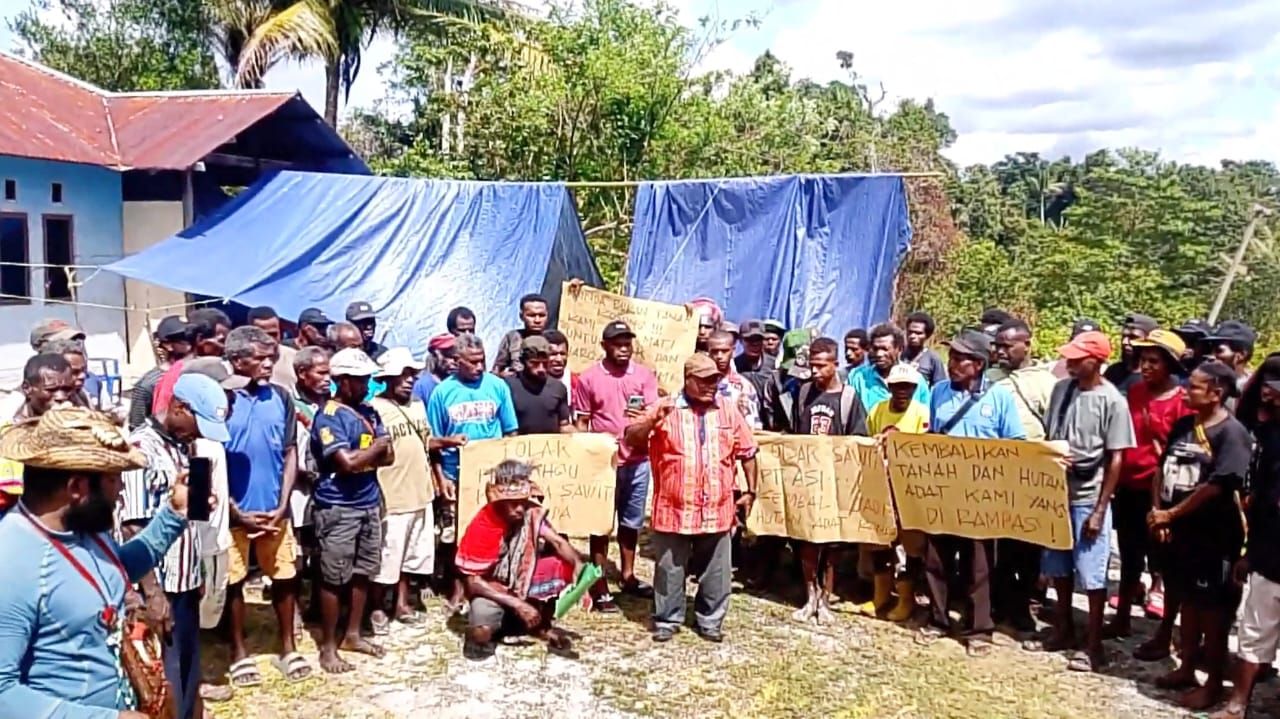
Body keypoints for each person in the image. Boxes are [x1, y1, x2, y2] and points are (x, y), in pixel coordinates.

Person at [0, 408, 192, 718]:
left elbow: (112, 570)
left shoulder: (85, 528)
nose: (121, 490)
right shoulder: (11, 564)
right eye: (114, 480)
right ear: (77, 488)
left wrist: (174, 514)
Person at [623, 354, 759, 642]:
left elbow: (748, 451)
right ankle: (667, 619)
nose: (713, 385)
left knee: (717, 570)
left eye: (715, 380)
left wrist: (750, 490)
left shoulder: (728, 410)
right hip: (674, 507)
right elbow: (632, 438)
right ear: (688, 381)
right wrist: (651, 423)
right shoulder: (665, 407)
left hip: (717, 507)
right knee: (670, 568)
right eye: (705, 381)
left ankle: (710, 620)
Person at [120, 373, 230, 719]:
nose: (199, 433)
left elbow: (193, 515)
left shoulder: (186, 446)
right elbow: (132, 525)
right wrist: (153, 594)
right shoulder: (142, 448)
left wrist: (197, 571)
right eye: (198, 423)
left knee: (187, 670)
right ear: (179, 407)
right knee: (163, 684)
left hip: (185, 580)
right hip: (159, 586)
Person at [1147, 362, 1251, 709]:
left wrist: (1172, 514)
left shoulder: (1232, 434)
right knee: (1187, 603)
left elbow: (1218, 486)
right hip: (1179, 537)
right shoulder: (1183, 425)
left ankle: (1213, 685)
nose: (1185, 390)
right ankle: (1186, 668)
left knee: (1213, 613)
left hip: (1214, 539)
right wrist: (1158, 514)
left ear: (1216, 392)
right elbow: (1161, 470)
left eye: (1193, 386)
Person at [919, 329, 1025, 658]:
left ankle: (979, 627)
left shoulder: (1000, 397)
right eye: (951, 357)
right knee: (936, 558)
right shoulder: (937, 392)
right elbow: (933, 434)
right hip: (944, 491)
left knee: (979, 563)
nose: (952, 363)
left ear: (978, 364)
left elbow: (1015, 444)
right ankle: (937, 619)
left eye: (959, 358)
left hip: (982, 496)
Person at [1036, 330, 1135, 673]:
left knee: (1091, 573)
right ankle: (1063, 627)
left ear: (1096, 361)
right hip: (1055, 494)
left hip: (1088, 496)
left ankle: (1093, 644)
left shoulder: (1113, 401)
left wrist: (1100, 509)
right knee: (1057, 565)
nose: (1071, 363)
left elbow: (1117, 458)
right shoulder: (1061, 391)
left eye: (1078, 358)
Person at [222, 326, 307, 687]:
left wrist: (283, 502)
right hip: (232, 513)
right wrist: (234, 510)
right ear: (236, 360)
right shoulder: (220, 400)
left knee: (285, 577)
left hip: (275, 508)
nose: (268, 365)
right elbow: (208, 458)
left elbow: (290, 451)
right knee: (233, 582)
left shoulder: (281, 397)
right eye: (258, 358)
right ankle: (239, 652)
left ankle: (287, 646)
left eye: (270, 357)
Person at [309, 348, 393, 673]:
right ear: (343, 381)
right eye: (360, 380)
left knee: (363, 571)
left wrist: (369, 454)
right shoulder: (329, 415)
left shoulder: (369, 413)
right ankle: (329, 647)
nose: (366, 385)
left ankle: (353, 634)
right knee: (333, 576)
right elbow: (345, 463)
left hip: (369, 501)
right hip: (338, 507)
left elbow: (389, 457)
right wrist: (374, 449)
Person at [571, 321, 659, 611]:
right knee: (600, 523)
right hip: (604, 463)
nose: (623, 348)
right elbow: (582, 421)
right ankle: (598, 584)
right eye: (617, 343)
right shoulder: (588, 378)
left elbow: (652, 415)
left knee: (631, 522)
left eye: (627, 342)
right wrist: (584, 455)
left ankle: (628, 574)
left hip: (638, 460)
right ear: (604, 345)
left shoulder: (645, 376)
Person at [427, 333, 518, 610]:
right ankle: (457, 588)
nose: (479, 367)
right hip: (456, 474)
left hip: (491, 474)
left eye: (483, 361)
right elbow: (432, 441)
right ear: (457, 361)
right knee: (456, 533)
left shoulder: (497, 386)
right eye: (473, 362)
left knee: (493, 528)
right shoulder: (443, 393)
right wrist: (441, 479)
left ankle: (490, 583)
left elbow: (510, 430)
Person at [369, 348, 458, 631]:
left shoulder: (418, 405)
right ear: (388, 379)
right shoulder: (375, 409)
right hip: (392, 493)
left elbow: (425, 440)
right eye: (402, 376)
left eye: (411, 375)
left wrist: (446, 442)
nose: (409, 381)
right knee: (387, 555)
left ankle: (402, 603)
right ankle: (377, 607)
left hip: (420, 491)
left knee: (412, 555)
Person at [456, 461, 583, 658]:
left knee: (558, 564)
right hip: (492, 590)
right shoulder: (483, 525)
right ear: (499, 502)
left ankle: (539, 624)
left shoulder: (531, 514)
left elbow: (558, 542)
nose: (520, 509)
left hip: (521, 583)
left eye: (523, 502)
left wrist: (577, 566)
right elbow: (473, 583)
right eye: (513, 503)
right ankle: (509, 621)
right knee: (481, 633)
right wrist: (518, 605)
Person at [1213, 360, 1280, 719]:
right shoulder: (1268, 436)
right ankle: (1237, 704)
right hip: (1269, 553)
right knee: (1254, 633)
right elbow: (1257, 502)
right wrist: (1249, 552)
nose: (1269, 391)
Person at [1113, 330, 1190, 641]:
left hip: (1162, 494)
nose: (1145, 366)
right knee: (1129, 555)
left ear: (1169, 364)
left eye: (1153, 361)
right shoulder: (1134, 393)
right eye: (1143, 360)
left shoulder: (1183, 402)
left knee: (1165, 561)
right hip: (1130, 486)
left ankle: (1166, 630)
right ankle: (1121, 619)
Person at [791, 337, 869, 624]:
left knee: (832, 545)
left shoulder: (848, 398)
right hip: (808, 479)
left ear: (835, 365)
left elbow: (859, 440)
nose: (815, 372)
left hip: (836, 482)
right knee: (807, 541)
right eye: (812, 365)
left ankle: (826, 599)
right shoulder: (804, 394)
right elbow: (796, 434)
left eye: (822, 366)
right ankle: (809, 595)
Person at [986, 318, 1057, 631]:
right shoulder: (989, 377)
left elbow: (1054, 427)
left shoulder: (1044, 382)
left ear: (1026, 345)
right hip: (992, 471)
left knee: (1027, 543)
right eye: (997, 345)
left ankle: (1022, 604)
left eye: (1007, 345)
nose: (1000, 351)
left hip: (1030, 472)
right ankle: (996, 601)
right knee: (996, 542)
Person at [178, 359, 246, 643]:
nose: (231, 398)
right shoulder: (202, 445)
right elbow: (197, 507)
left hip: (212, 539)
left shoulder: (206, 439)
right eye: (225, 392)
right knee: (200, 611)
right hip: (206, 544)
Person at [865, 363, 931, 622]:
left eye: (908, 387)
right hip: (881, 485)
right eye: (897, 386)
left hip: (910, 490)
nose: (903, 391)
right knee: (879, 542)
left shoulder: (921, 413)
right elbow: (869, 439)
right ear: (889, 387)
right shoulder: (878, 410)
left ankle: (905, 599)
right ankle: (880, 595)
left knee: (911, 546)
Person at [0, 354, 76, 513]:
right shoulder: (6, 435)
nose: (61, 397)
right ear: (27, 388)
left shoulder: (80, 427)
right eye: (51, 390)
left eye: (67, 389)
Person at [290, 346, 331, 622]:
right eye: (321, 372)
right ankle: (292, 611)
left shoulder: (329, 402)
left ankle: (318, 604)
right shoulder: (289, 404)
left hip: (325, 487)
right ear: (303, 374)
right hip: (297, 489)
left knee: (320, 549)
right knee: (295, 553)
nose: (328, 378)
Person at [152, 308, 232, 416]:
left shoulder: (224, 369)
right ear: (200, 339)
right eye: (221, 341)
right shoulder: (177, 374)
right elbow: (162, 417)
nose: (225, 347)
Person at [848, 323, 930, 414]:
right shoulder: (857, 377)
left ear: (899, 349)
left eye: (885, 349)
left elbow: (925, 418)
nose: (879, 354)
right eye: (875, 349)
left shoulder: (916, 380)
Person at [129, 315, 192, 430]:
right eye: (185, 339)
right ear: (168, 345)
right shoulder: (148, 384)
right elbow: (136, 426)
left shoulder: (197, 374)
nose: (191, 342)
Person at [505, 336, 573, 434]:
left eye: (545, 363)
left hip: (550, 447)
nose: (541, 369)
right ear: (522, 361)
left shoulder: (558, 388)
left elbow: (564, 425)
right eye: (534, 363)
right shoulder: (508, 387)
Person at [707, 330, 761, 430]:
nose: (719, 356)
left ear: (733, 351)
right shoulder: (698, 384)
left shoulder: (744, 387)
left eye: (724, 351)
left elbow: (753, 427)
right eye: (715, 351)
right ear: (708, 352)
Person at [493, 294, 550, 375]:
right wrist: (503, 375)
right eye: (531, 315)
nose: (537, 320)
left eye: (541, 315)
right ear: (521, 316)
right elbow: (496, 370)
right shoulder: (512, 337)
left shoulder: (552, 339)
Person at [1102, 313, 1158, 394]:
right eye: (1124, 336)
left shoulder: (1156, 377)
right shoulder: (1113, 372)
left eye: (1133, 337)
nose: (1125, 342)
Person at [249, 306, 298, 390]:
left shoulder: (295, 358)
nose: (270, 340)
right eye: (264, 335)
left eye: (274, 334)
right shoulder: (243, 363)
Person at [1205, 320, 1256, 395]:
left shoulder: (1252, 392)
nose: (1211, 356)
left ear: (1241, 355)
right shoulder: (1203, 382)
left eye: (1219, 351)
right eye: (1211, 350)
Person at [41, 338, 94, 409]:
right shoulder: (25, 402)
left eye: (84, 370)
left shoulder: (82, 396)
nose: (82, 376)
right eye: (74, 372)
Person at [902, 311, 945, 388]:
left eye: (918, 333)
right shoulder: (898, 354)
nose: (912, 336)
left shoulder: (933, 359)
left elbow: (939, 387)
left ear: (927, 335)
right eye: (910, 332)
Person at [414, 333, 457, 406]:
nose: (453, 361)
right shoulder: (422, 386)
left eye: (456, 356)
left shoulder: (464, 383)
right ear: (435, 355)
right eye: (447, 355)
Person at [544, 329, 573, 405]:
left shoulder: (577, 383)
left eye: (562, 354)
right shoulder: (533, 383)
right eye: (553, 354)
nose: (559, 359)